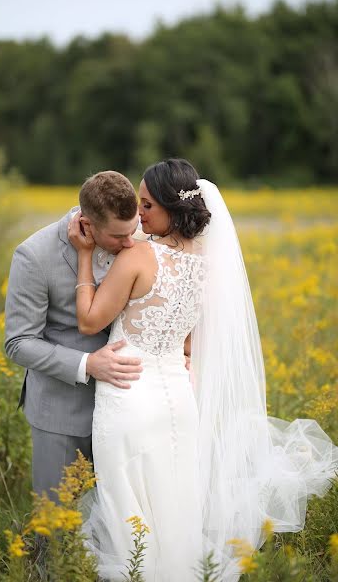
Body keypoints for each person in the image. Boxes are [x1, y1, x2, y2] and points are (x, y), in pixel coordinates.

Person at [68, 158, 338, 582]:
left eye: (146, 206)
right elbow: (191, 341)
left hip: (129, 398)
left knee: (131, 519)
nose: (138, 215)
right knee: (175, 511)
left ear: (172, 209)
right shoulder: (203, 264)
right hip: (178, 401)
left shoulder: (139, 256)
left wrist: (85, 256)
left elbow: (89, 320)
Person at [5, 171, 143, 502]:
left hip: (128, 410)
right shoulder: (34, 256)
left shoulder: (139, 242)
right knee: (57, 528)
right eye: (117, 236)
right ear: (87, 224)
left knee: (118, 526)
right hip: (63, 412)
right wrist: (86, 364)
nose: (130, 243)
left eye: (133, 230)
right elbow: (18, 342)